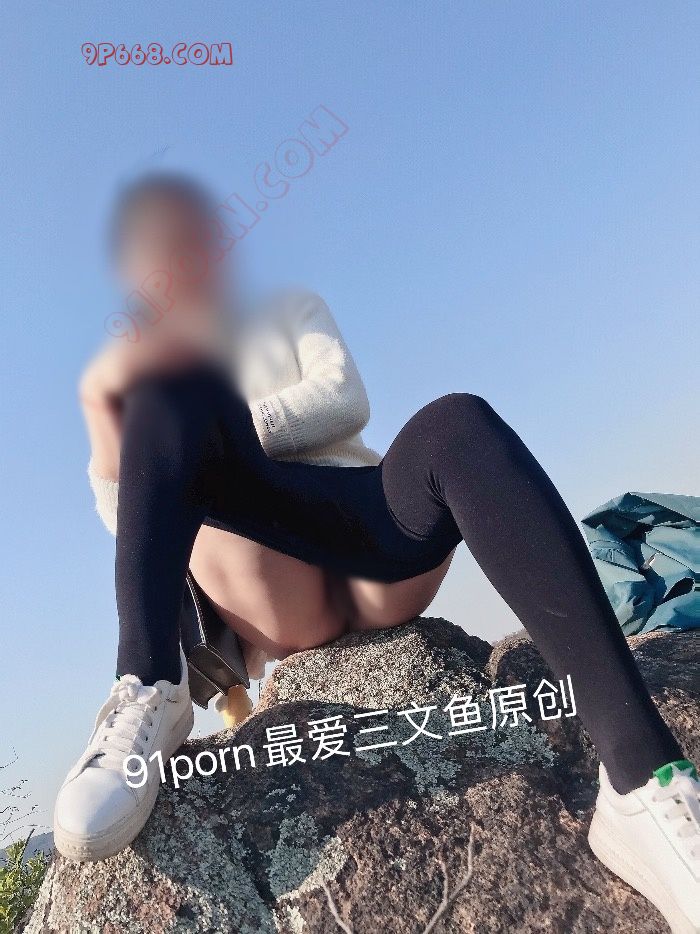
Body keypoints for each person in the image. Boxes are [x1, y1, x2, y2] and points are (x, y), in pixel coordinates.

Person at [55, 174, 699, 934]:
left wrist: (226, 442)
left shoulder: (283, 306)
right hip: (272, 582)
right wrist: (122, 428)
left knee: (457, 422)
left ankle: (643, 780)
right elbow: (136, 520)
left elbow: (342, 397)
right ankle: (148, 686)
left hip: (368, 534)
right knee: (173, 392)